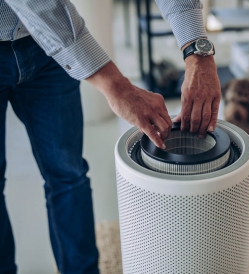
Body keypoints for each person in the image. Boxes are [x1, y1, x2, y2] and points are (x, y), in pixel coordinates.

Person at [0, 0, 221, 273]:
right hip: (48, 26)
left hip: (45, 49)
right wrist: (117, 87)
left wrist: (198, 52)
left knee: (68, 174)